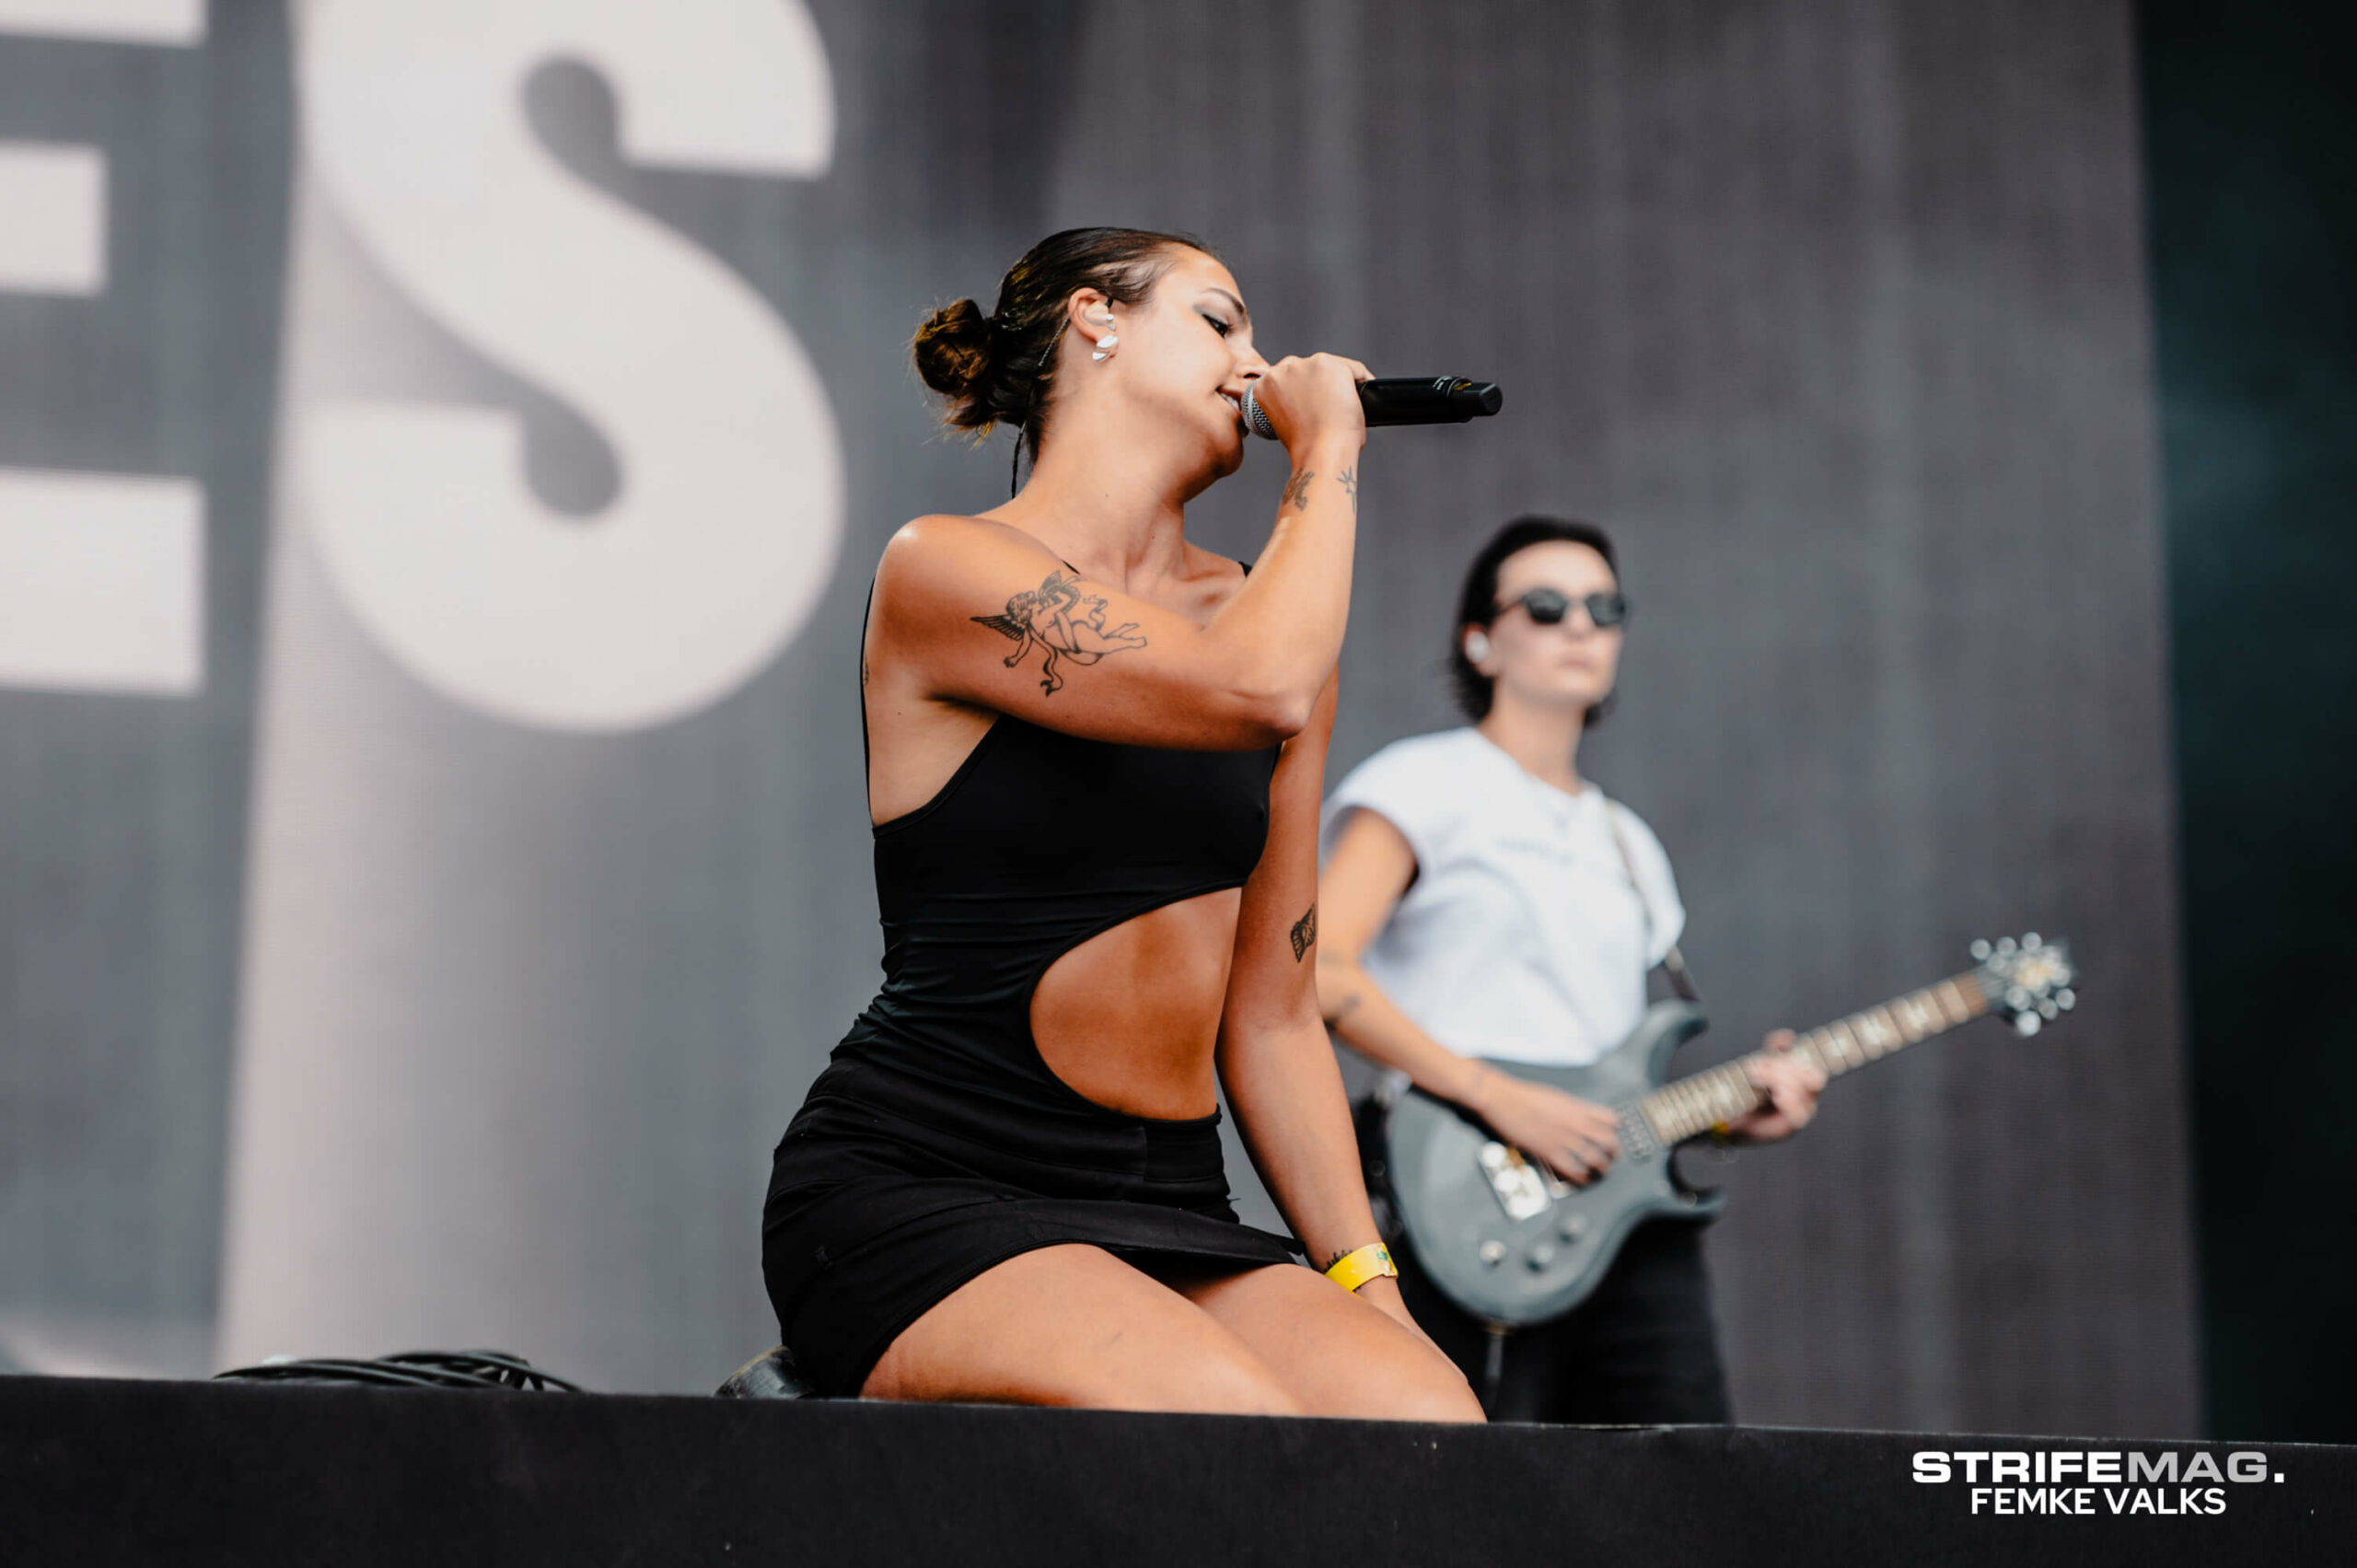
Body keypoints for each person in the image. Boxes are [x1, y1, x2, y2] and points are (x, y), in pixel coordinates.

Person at [761, 227, 1480, 1421]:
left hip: (1168, 1195)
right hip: (929, 1174)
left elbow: (1277, 1007)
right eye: (1220, 321)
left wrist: (1369, 1281)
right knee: (1218, 1423)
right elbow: (1251, 687)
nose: (1257, 362)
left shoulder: (1266, 616)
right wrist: (1330, 452)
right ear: (1096, 318)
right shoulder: (950, 568)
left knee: (1432, 1430)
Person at [1315, 516, 1826, 1423]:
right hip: (1456, 1192)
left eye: (1603, 606)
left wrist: (1728, 1119)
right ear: (1481, 640)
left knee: (1680, 1482)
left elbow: (1613, 1077)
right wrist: (1498, 1096)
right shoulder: (1422, 783)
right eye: (1547, 605)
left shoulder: (1629, 843)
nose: (1581, 625)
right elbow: (1320, 973)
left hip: (1621, 1225)